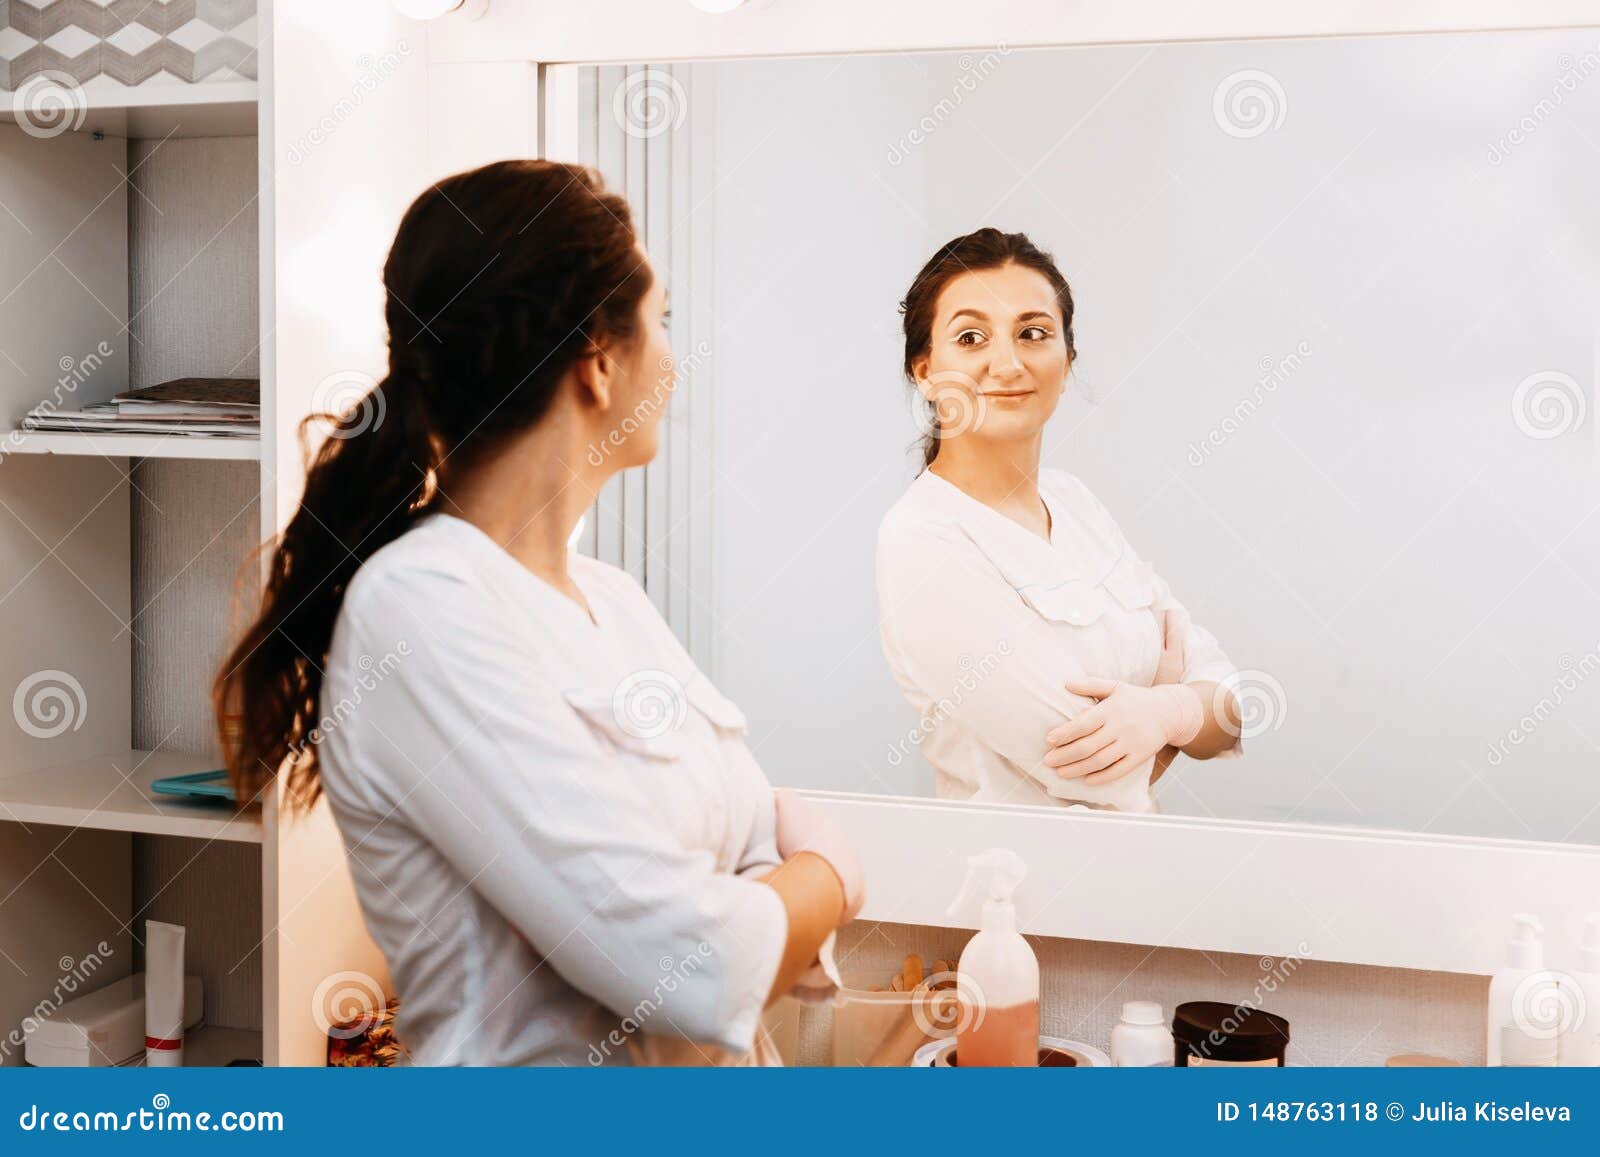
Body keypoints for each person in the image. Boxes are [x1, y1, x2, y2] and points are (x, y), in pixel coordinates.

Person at [215, 160, 861, 1065]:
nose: (671, 358)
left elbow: (746, 858)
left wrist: (760, 900)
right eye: (661, 321)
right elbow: (693, 963)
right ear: (599, 357)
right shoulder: (421, 609)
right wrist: (831, 872)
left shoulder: (615, 602)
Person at [875, 228, 1243, 813]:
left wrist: (1165, 710)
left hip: (1140, 883)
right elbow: (1093, 773)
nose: (1007, 362)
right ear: (924, 370)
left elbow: (1232, 708)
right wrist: (1176, 704)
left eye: (1033, 333)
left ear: (1067, 360)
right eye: (971, 337)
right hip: (1019, 891)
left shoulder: (1074, 503)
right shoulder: (923, 539)